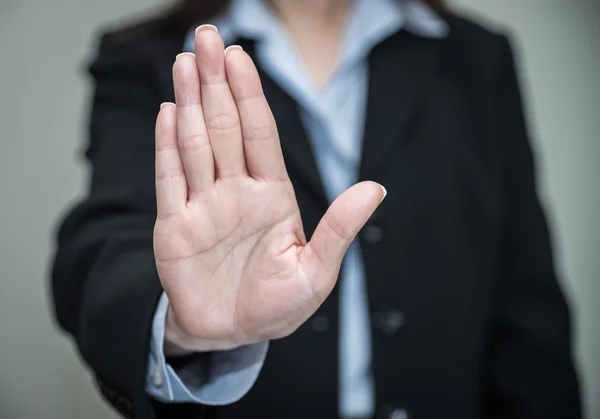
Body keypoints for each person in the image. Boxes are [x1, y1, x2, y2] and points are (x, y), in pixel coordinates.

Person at [50, 0, 582, 418]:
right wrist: (183, 325)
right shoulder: (146, 57)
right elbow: (100, 246)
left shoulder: (474, 57)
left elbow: (524, 298)